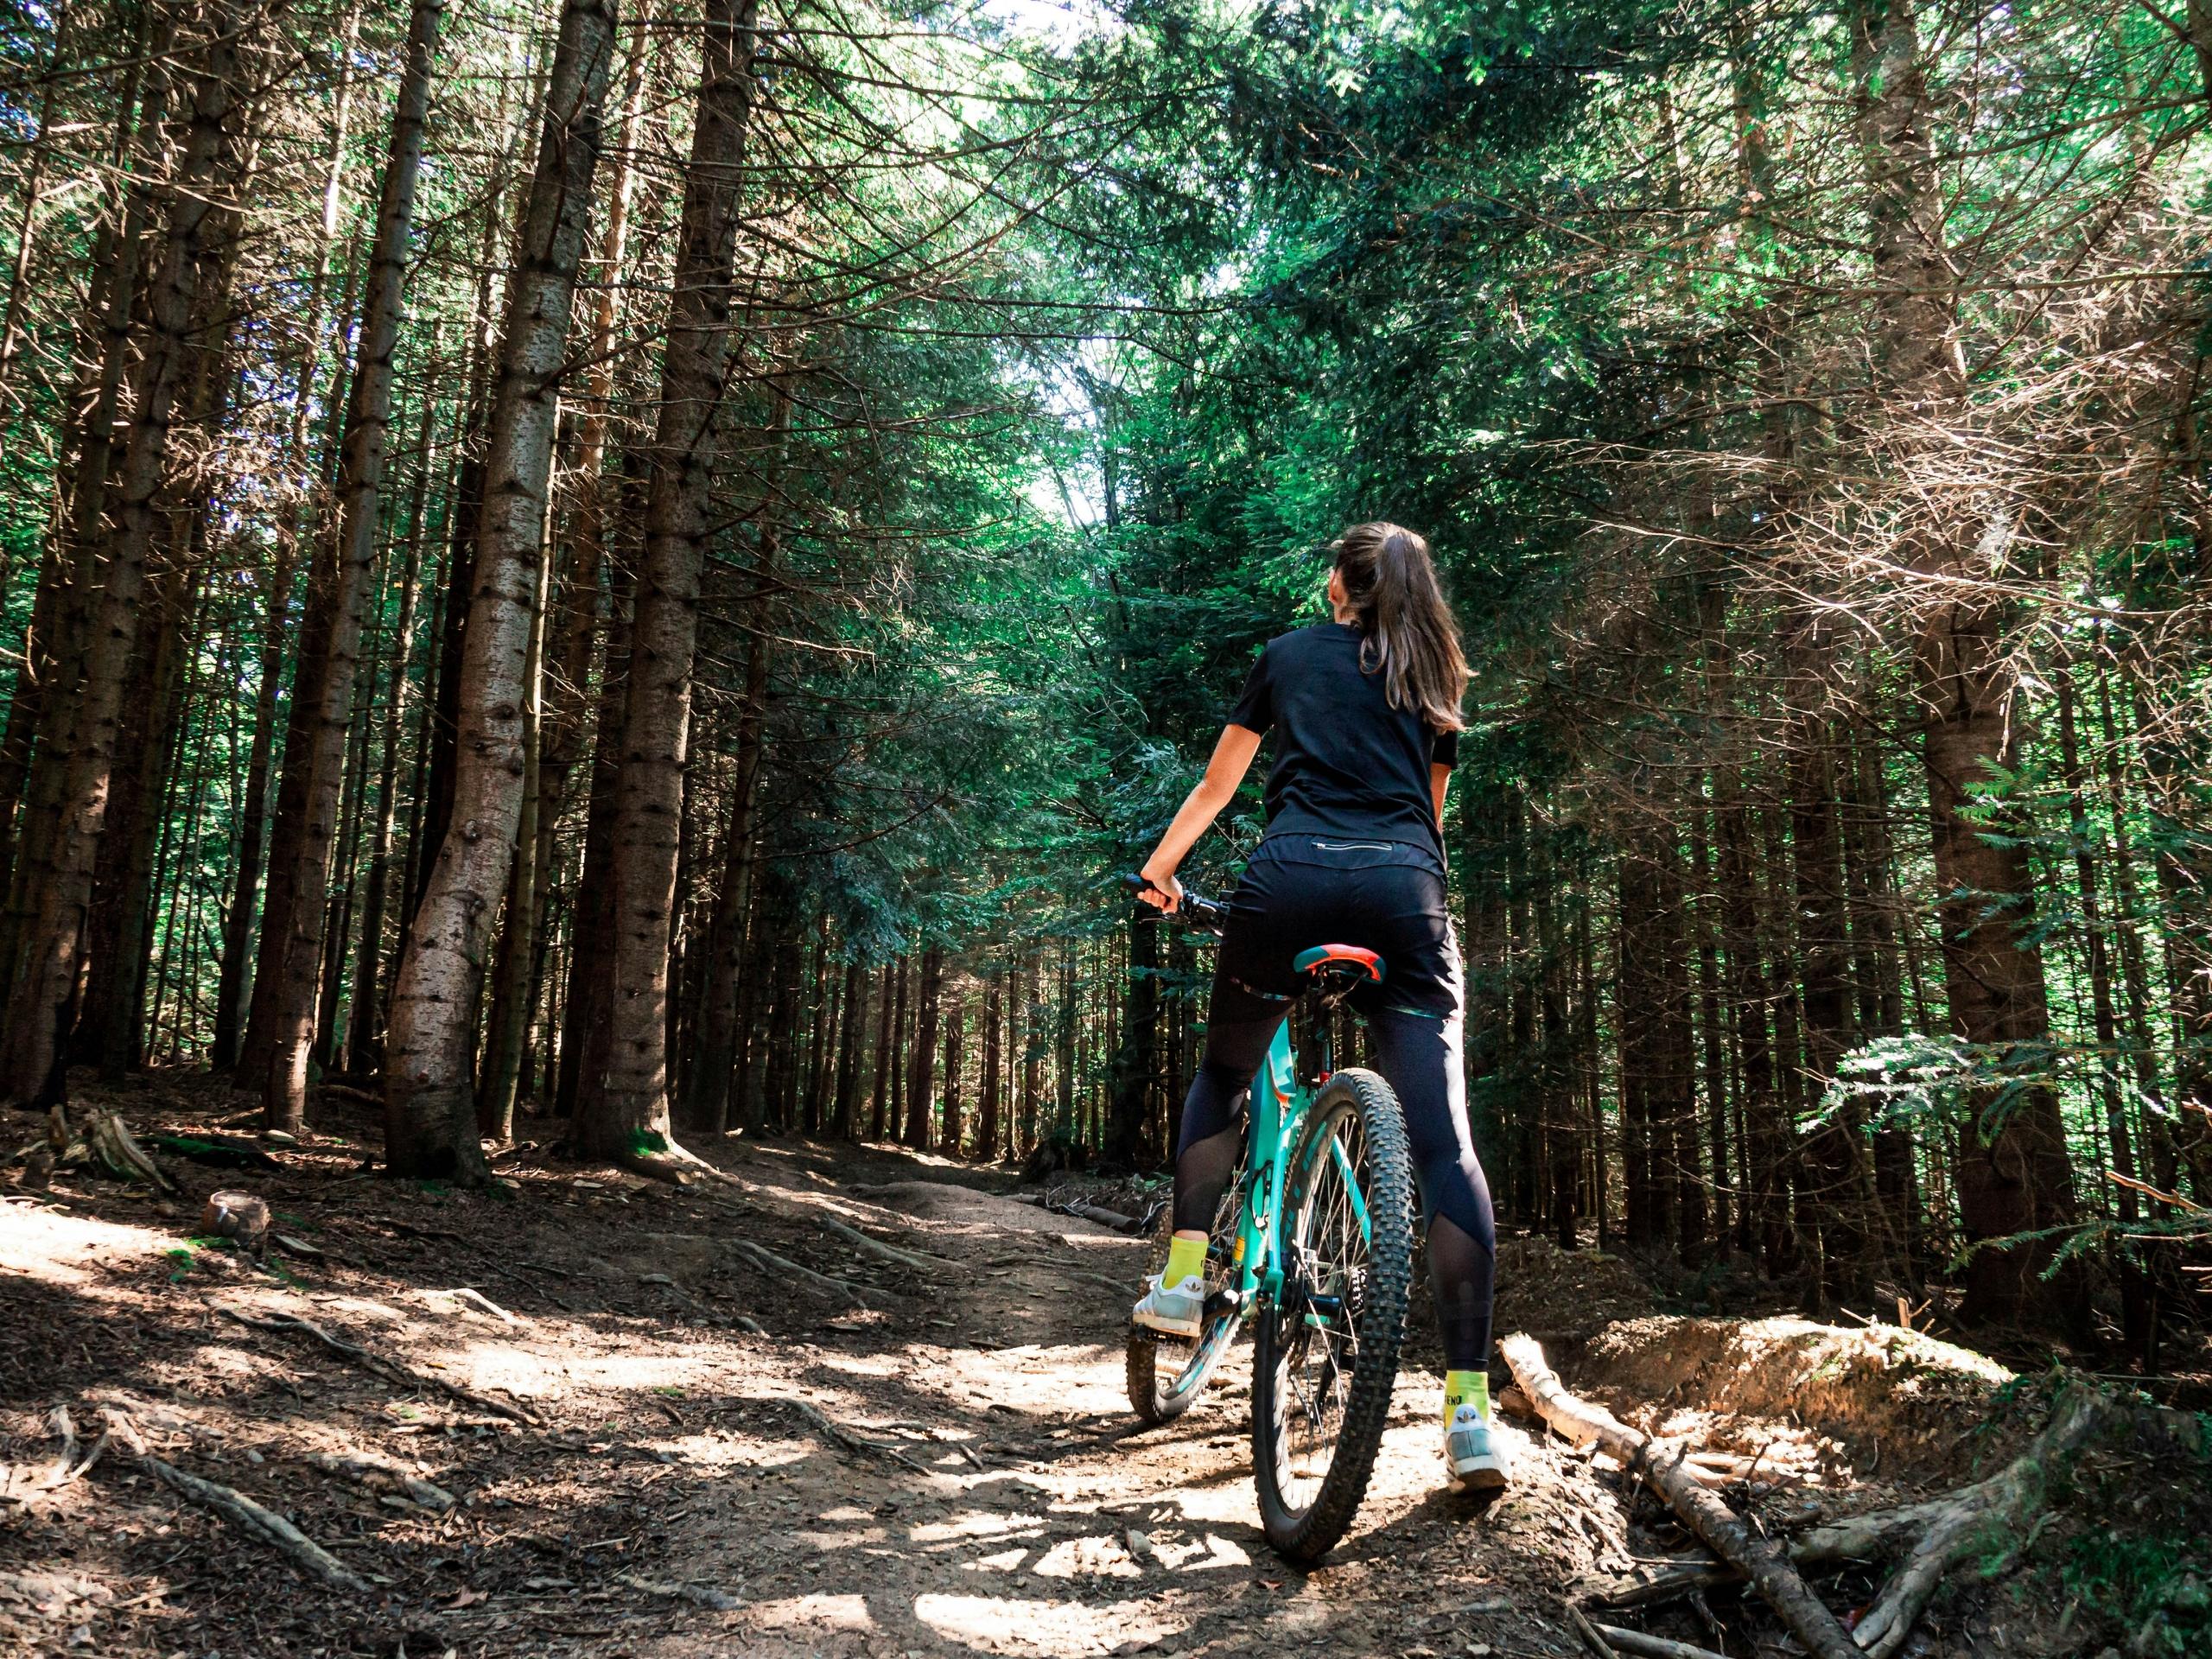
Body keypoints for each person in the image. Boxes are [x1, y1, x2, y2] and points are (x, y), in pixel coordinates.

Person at [1128, 521, 1507, 1491]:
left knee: (1225, 1071)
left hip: (1286, 882)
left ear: (1341, 588)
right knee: (1444, 1146)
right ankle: (1469, 1415)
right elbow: (1428, 820)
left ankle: (1180, 1278)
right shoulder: (1435, 674)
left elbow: (1221, 784)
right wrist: (1420, 915)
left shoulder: (1287, 656)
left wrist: (1159, 873)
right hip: (1402, 897)